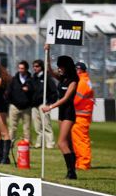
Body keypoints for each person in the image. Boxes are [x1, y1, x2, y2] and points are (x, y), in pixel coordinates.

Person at [42, 50, 79, 179]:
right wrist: (48, 52)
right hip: (61, 113)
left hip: (69, 113)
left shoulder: (73, 81)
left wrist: (50, 107)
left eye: (61, 67)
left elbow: (66, 99)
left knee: (61, 143)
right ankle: (72, 170)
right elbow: (50, 71)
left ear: (66, 67)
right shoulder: (63, 78)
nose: (59, 69)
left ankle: (71, 172)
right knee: (68, 143)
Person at [7, 61, 36, 147]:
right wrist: (11, 101)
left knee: (26, 127)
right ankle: (10, 143)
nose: (20, 70)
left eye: (22, 68)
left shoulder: (31, 79)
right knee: (12, 126)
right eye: (19, 68)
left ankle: (26, 143)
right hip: (14, 106)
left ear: (26, 69)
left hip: (26, 107)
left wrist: (29, 90)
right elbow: (9, 91)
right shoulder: (14, 79)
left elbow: (35, 91)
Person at [72, 61, 94, 171]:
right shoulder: (84, 80)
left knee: (81, 140)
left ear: (79, 70)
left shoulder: (82, 82)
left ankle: (84, 163)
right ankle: (79, 162)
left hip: (81, 115)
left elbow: (76, 99)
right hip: (80, 115)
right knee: (78, 140)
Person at [31, 59, 56, 149]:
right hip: (34, 105)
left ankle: (50, 143)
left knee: (46, 124)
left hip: (44, 104)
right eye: (34, 66)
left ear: (41, 67)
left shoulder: (47, 78)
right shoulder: (33, 78)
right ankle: (39, 143)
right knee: (37, 126)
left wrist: (49, 103)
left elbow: (54, 91)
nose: (35, 68)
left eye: (37, 66)